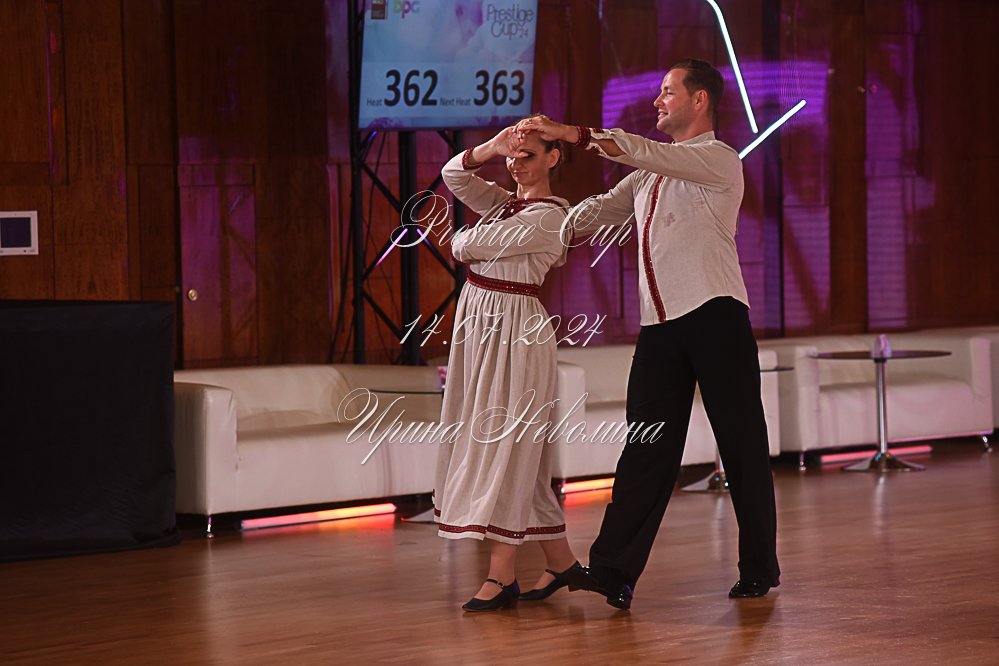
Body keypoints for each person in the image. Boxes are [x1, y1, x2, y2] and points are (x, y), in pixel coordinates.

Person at [516, 59, 780, 610]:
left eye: (668, 92)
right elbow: (590, 216)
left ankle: (759, 568)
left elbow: (639, 150)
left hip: (715, 316)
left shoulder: (718, 158)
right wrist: (527, 212)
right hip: (660, 329)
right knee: (645, 447)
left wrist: (573, 133)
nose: (657, 100)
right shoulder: (647, 174)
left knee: (742, 446)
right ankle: (614, 571)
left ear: (700, 100)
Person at [433, 120, 583, 612]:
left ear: (553, 158)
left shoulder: (550, 216)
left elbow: (468, 247)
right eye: (512, 158)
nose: (516, 165)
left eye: (528, 156)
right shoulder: (504, 205)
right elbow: (453, 175)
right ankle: (562, 563)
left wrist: (462, 238)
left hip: (516, 332)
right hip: (482, 326)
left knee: (507, 446)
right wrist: (491, 148)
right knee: (515, 454)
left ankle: (501, 576)